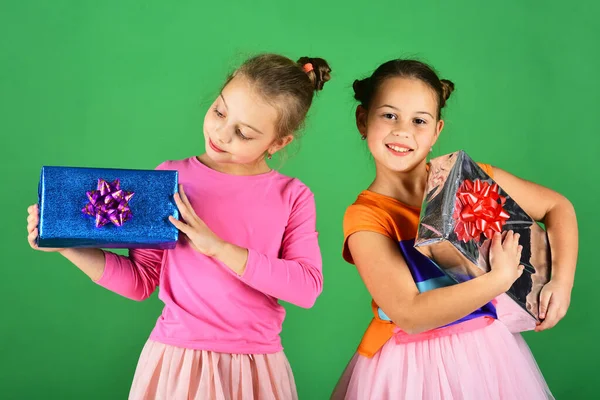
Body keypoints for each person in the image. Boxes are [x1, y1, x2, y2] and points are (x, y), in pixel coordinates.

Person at [27, 53, 332, 400]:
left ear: (278, 143)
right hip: (176, 361)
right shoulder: (171, 179)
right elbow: (140, 282)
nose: (221, 132)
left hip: (256, 367)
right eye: (219, 111)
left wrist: (218, 247)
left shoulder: (292, 196)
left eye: (244, 133)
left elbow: (306, 289)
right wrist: (65, 244)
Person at [331, 59, 577, 399]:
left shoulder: (470, 181)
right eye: (389, 115)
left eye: (419, 121)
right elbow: (410, 314)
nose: (403, 131)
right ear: (363, 120)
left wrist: (561, 283)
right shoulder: (367, 216)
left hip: (487, 353)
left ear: (437, 131)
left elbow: (557, 207)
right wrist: (498, 280)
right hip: (409, 367)